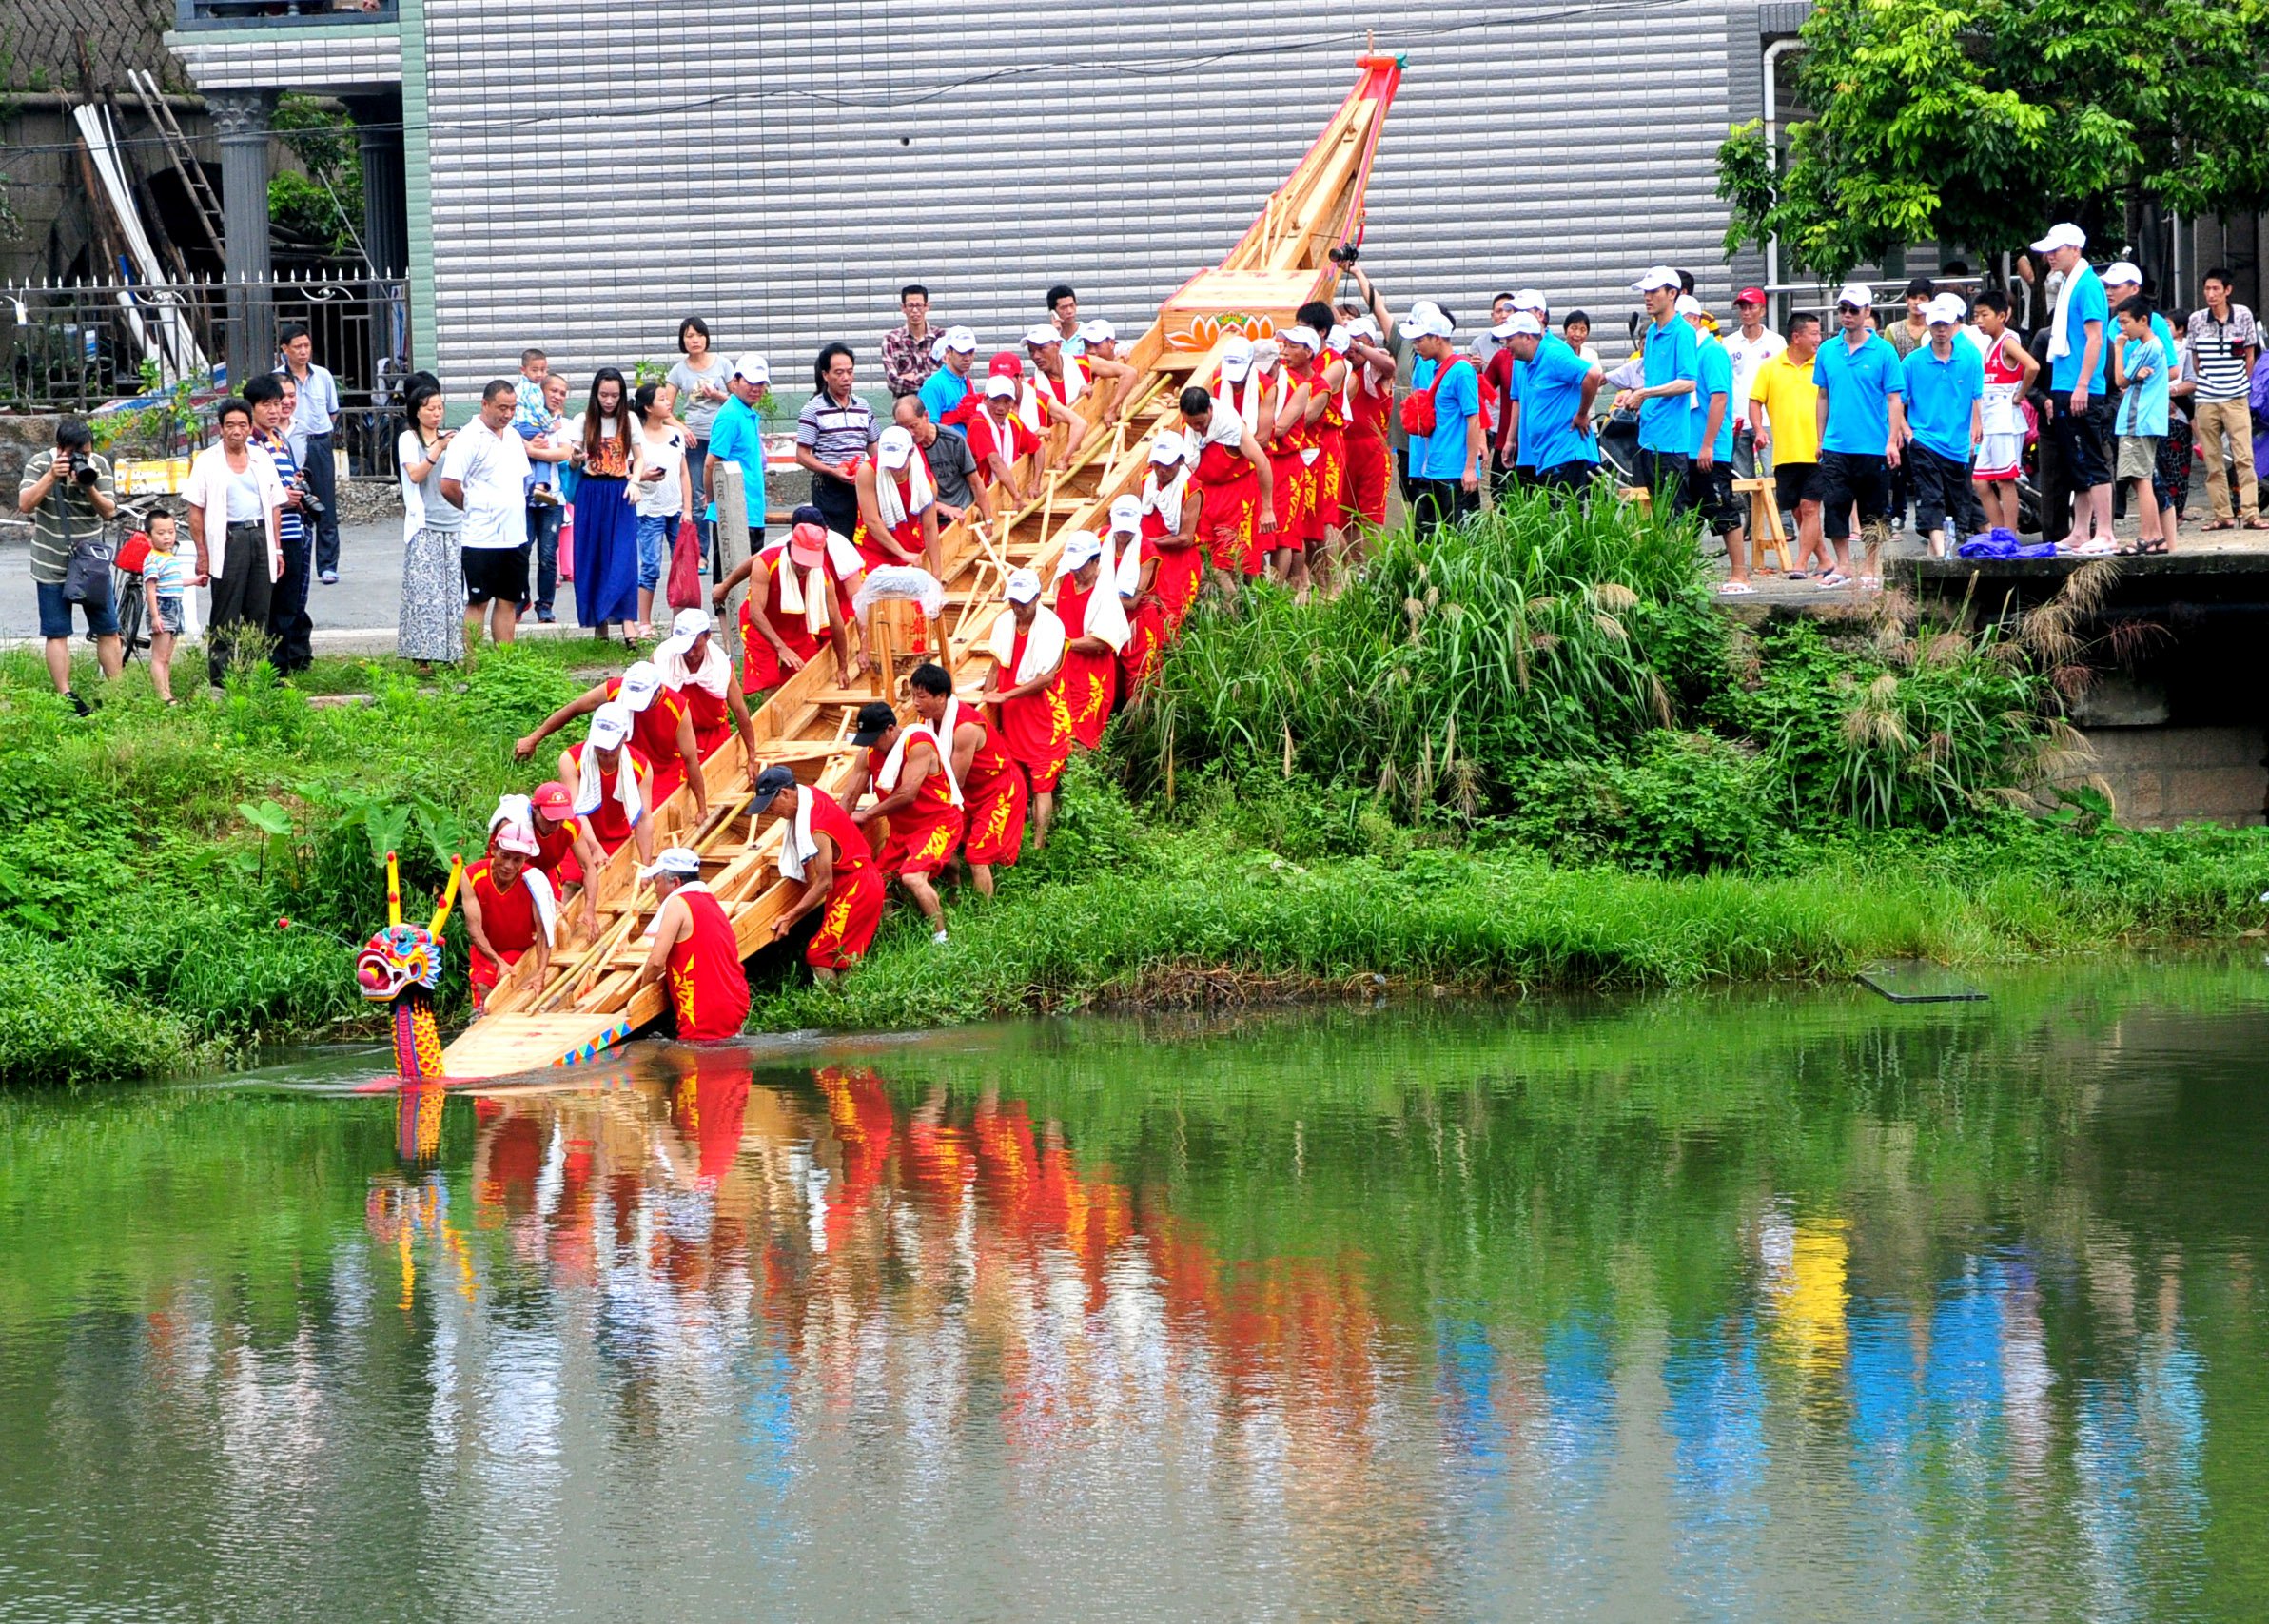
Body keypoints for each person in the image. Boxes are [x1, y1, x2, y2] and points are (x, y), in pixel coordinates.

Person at [17, 417, 123, 711]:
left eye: (85, 453)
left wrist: (87, 485)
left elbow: (108, 511)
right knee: (57, 630)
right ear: (59, 448)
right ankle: (66, 696)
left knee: (108, 628)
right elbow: (25, 504)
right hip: (51, 558)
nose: (81, 458)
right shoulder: (40, 464)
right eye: (75, 454)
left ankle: (117, 695)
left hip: (90, 561)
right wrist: (52, 476)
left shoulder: (98, 464)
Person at [180, 398, 285, 689]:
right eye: (230, 425)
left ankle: (255, 674)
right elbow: (196, 510)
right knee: (226, 609)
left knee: (259, 609)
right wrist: (202, 551)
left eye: (242, 424)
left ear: (251, 427)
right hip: (228, 539)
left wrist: (276, 547)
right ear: (221, 428)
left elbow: (275, 506)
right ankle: (222, 678)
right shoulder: (207, 461)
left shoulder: (261, 458)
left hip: (259, 536)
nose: (236, 431)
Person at [515, 657, 702, 813]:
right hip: (615, 760)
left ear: (658, 692)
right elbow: (575, 708)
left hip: (660, 773)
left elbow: (690, 759)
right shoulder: (616, 689)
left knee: (646, 813)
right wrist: (534, 738)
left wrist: (702, 807)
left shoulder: (677, 707)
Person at [1813, 281, 1907, 588]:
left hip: (1873, 444)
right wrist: (1820, 438)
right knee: (1836, 504)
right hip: (1837, 443)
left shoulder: (1884, 352)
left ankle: (1870, 564)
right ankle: (1842, 564)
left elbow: (1895, 399)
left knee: (1873, 508)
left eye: (1854, 310)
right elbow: (1822, 396)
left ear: (1867, 312)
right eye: (1843, 309)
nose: (1847, 315)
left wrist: (1892, 441)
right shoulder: (1828, 350)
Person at [843, 698, 962, 944]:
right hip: (902, 830)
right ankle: (897, 934)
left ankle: (942, 941)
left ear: (889, 729)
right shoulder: (868, 753)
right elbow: (849, 797)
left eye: (874, 738)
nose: (871, 746)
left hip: (937, 823)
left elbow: (908, 794)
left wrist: (868, 814)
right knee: (876, 884)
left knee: (912, 877)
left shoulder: (917, 744)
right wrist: (839, 829)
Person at [752, 765, 883, 982]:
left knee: (820, 954)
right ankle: (850, 1006)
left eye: (770, 805)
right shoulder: (809, 793)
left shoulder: (816, 826)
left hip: (857, 886)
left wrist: (790, 916)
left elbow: (824, 884)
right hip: (854, 879)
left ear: (785, 793)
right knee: (844, 956)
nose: (771, 813)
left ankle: (835, 1007)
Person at [2032, 223, 2116, 554]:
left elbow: (2096, 337)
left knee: (2092, 459)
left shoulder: (2087, 285)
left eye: (2057, 249)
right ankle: (2080, 530)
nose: (2050, 255)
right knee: (2075, 461)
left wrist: (2083, 383)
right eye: (2049, 250)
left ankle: (2105, 531)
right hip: (2064, 383)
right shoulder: (2069, 284)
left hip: (2082, 386)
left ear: (2076, 249)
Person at [718, 508, 864, 694]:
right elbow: (756, 612)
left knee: (803, 678)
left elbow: (836, 622)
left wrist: (842, 667)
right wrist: (781, 647)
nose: (804, 567)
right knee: (771, 684)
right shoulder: (766, 563)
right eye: (800, 560)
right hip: (762, 626)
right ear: (790, 548)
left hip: (797, 627)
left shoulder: (823, 578)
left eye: (809, 562)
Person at [909, 660, 1024, 895]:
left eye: (922, 697)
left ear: (941, 697)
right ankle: (956, 892)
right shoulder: (925, 721)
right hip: (969, 792)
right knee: (948, 838)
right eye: (913, 696)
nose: (915, 703)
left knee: (976, 855)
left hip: (997, 790)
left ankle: (985, 916)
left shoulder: (965, 728)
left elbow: (954, 782)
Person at [439, 380, 535, 647]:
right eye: (501, 408)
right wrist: (472, 507)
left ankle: (504, 663)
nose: (507, 414)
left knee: (508, 599)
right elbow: (448, 485)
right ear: (485, 404)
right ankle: (472, 665)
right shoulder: (468, 438)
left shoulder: (513, 436)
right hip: (480, 537)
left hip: (514, 535)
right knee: (478, 601)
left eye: (512, 408)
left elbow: (524, 479)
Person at [982, 567, 1071, 850]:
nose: (1017, 608)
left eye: (1023, 602)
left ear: (1036, 597)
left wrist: (1007, 696)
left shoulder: (1053, 626)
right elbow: (996, 664)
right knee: (1014, 777)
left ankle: (1039, 843)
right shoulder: (1005, 623)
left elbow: (1046, 679)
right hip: (1013, 714)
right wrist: (988, 693)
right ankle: (1015, 836)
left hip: (1041, 712)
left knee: (1042, 782)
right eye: (1013, 602)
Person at [1901, 293, 1985, 558]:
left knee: (1958, 502)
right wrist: (1907, 433)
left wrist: (1976, 429)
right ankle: (1942, 555)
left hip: (1957, 443)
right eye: (1935, 324)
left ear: (1953, 326)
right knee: (1930, 495)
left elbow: (1976, 397)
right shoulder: (1912, 362)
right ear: (1928, 324)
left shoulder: (1970, 357)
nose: (1940, 330)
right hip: (1924, 439)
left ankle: (1936, 553)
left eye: (1945, 325)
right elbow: (1896, 402)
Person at [634, 847, 750, 1042]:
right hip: (733, 999)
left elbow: (656, 962)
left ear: (675, 882)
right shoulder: (709, 901)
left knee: (697, 1067)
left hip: (705, 1007)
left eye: (657, 882)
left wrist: (640, 998)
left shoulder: (677, 904)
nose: (655, 889)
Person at [243, 375, 312, 675]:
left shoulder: (279, 439)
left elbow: (287, 479)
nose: (274, 410)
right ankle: (264, 668)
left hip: (292, 529)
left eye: (277, 403)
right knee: (265, 604)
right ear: (251, 408)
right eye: (266, 405)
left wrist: (297, 489)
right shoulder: (248, 442)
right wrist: (284, 497)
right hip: (269, 533)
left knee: (287, 602)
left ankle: (281, 669)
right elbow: (252, 490)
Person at [1751, 312, 1829, 577]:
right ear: (1796, 337)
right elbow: (1755, 400)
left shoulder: (1824, 365)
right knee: (1797, 510)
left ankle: (1801, 564)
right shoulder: (1770, 367)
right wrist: (1759, 429)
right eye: (1814, 333)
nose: (1819, 339)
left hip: (1817, 451)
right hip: (1784, 453)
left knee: (1810, 508)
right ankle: (1825, 560)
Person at [2186, 267, 2264, 530]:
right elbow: (2195, 360)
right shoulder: (2197, 320)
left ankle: (2252, 513)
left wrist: (2242, 383)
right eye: (2207, 289)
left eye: (2216, 289)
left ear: (2227, 291)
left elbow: (2250, 356)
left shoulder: (2242, 315)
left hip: (2236, 396)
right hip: (2206, 397)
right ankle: (2222, 514)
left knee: (2244, 456)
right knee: (2212, 458)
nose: (2211, 294)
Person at [566, 367, 640, 638]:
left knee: (623, 557)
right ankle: (600, 623)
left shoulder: (630, 420)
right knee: (592, 555)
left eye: (614, 396)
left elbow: (639, 457)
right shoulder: (583, 420)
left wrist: (636, 481)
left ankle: (629, 622)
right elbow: (573, 459)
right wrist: (576, 456)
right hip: (590, 492)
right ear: (595, 395)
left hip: (620, 491)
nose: (609, 401)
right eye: (603, 395)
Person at [1681, 297, 1750, 591]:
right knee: (1689, 514)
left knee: (1722, 509)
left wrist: (1708, 444)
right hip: (1685, 445)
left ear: (1695, 320)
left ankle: (1739, 574)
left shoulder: (1711, 352)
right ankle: (1685, 574)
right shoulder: (1686, 353)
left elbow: (1720, 399)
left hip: (1710, 447)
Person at [1177, 382, 1275, 586]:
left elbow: (1262, 463)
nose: (1198, 429)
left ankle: (1243, 609)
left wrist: (1267, 508)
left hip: (1237, 495)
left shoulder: (1231, 425)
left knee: (1231, 561)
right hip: (1206, 496)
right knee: (1206, 559)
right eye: (1192, 424)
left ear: (1210, 410)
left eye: (1201, 423)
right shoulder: (1189, 429)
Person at [395, 381, 464, 669]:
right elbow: (415, 475)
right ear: (417, 412)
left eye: (439, 408)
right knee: (424, 594)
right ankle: (421, 656)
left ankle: (451, 654)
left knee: (453, 594)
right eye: (429, 408)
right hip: (424, 525)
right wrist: (437, 449)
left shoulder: (452, 439)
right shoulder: (409, 439)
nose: (436, 413)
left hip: (454, 522)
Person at [1496, 312, 1604, 497]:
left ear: (1527, 337)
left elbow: (1592, 375)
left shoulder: (1553, 354)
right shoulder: (1529, 363)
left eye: (1510, 339)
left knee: (1563, 518)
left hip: (1564, 454)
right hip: (1548, 456)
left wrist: (1582, 413)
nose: (1506, 345)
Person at [1620, 266, 1698, 502]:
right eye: (1646, 291)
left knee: (1674, 513)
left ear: (1672, 293)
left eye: (1654, 291)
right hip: (1648, 434)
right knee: (1657, 510)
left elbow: (1688, 383)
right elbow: (1652, 377)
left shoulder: (1683, 332)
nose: (1647, 297)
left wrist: (1644, 394)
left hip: (1671, 440)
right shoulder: (1652, 331)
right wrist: (1634, 394)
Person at [1404, 310, 1482, 538]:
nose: (1416, 345)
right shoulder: (1437, 369)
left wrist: (1469, 468)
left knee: (1461, 538)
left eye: (1420, 340)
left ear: (1437, 338)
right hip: (1434, 469)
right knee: (1434, 538)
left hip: (1456, 472)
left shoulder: (1461, 371)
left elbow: (1474, 419)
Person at [462, 823, 554, 1014]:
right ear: (493, 850)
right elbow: (474, 928)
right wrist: (497, 961)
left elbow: (543, 930)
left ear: (526, 859)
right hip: (486, 950)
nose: (508, 866)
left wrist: (540, 974)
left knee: (494, 991)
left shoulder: (533, 880)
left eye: (517, 860)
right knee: (482, 992)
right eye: (504, 856)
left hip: (519, 949)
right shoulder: (471, 875)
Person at [656, 606, 760, 773]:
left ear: (707, 636)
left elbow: (740, 711)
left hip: (713, 737)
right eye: (685, 648)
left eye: (695, 647)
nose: (690, 654)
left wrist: (751, 756)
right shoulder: (662, 658)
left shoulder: (720, 666)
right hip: (674, 738)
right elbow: (652, 710)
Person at [274, 324, 341, 583]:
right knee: (291, 500)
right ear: (284, 349)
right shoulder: (276, 378)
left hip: (319, 442)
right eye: (297, 347)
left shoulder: (322, 376)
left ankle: (327, 565)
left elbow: (332, 411)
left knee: (324, 504)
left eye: (307, 346)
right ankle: (292, 556)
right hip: (288, 441)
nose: (303, 352)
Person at [1049, 530, 1127, 749]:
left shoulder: (1105, 593)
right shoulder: (1065, 581)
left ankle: (1086, 778)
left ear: (1095, 562)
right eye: (1073, 566)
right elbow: (1057, 614)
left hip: (1092, 673)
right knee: (1060, 730)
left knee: (1083, 736)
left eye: (1081, 566)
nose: (1076, 571)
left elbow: (1102, 642)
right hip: (1064, 669)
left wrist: (1066, 643)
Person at [1969, 290, 2039, 536]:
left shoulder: (2008, 340)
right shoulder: (1989, 345)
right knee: (1980, 480)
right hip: (1991, 421)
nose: (1978, 320)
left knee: (2005, 479)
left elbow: (2032, 365)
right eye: (1975, 315)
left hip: (2005, 420)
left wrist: (2020, 394)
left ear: (2001, 316)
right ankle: (1999, 531)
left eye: (1984, 315)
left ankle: (2010, 533)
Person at [628, 382, 694, 636]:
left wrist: (687, 508)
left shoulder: (675, 435)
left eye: (668, 398)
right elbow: (627, 474)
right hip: (648, 510)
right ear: (647, 407)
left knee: (682, 565)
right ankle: (644, 622)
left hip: (676, 510)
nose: (668, 403)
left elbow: (684, 473)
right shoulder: (637, 437)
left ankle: (679, 622)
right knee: (651, 566)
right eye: (662, 399)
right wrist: (643, 476)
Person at [796, 342, 879, 539]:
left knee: (864, 539)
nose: (846, 378)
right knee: (836, 542)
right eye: (839, 372)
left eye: (850, 372)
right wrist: (833, 471)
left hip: (861, 484)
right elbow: (801, 456)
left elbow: (873, 445)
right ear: (825, 375)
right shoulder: (813, 409)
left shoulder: (863, 406)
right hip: (829, 487)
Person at [2112, 296, 2173, 554]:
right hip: (2148, 420)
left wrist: (2118, 348)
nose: (2123, 329)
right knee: (2142, 478)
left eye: (2125, 323)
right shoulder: (2156, 346)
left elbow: (2119, 380)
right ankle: (2156, 536)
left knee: (2141, 479)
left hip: (2137, 421)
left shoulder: (2146, 348)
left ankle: (2147, 536)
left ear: (2143, 320)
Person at [559, 701, 655, 864]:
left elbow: (644, 818)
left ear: (625, 736)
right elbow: (575, 811)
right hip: (579, 837)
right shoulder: (571, 760)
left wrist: (645, 866)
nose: (607, 752)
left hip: (619, 838)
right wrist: (594, 847)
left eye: (613, 746)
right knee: (570, 884)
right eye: (601, 745)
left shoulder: (641, 766)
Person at [668, 316, 731, 558]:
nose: (695, 340)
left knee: (726, 491)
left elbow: (739, 400)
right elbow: (665, 410)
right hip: (694, 441)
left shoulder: (723, 364)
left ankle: (727, 553)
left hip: (722, 439)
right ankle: (701, 554)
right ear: (683, 340)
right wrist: (682, 428)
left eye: (699, 334)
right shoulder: (678, 371)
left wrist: (716, 394)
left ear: (706, 337)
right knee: (698, 498)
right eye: (689, 336)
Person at [703, 355, 772, 561]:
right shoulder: (731, 416)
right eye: (750, 382)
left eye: (761, 383)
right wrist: (713, 498)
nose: (756, 388)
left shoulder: (746, 413)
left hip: (752, 511)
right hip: (735, 513)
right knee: (730, 582)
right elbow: (710, 463)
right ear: (735, 382)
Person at [896, 395, 992, 533]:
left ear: (926, 416)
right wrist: (941, 507)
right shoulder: (903, 450)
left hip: (961, 517)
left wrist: (988, 520)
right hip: (928, 520)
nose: (910, 433)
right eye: (904, 429)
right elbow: (906, 496)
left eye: (914, 426)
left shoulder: (953, 440)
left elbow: (975, 482)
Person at [852, 423, 941, 574]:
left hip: (910, 547)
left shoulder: (927, 482)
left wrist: (937, 572)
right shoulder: (868, 472)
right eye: (891, 465)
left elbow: (930, 527)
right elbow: (871, 520)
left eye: (900, 464)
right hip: (874, 549)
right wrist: (902, 553)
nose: (895, 470)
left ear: (911, 452)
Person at [520, 780, 606, 935]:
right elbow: (508, 870)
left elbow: (588, 867)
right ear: (535, 809)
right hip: (518, 874)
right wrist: (541, 898)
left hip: (547, 870)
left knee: (555, 916)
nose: (555, 826)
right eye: (550, 820)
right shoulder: (520, 827)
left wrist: (589, 910)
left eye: (560, 819)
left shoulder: (570, 826)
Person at [523, 371, 574, 622]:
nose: (558, 396)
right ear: (540, 392)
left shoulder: (564, 425)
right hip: (523, 497)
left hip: (552, 499)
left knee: (547, 553)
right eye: (553, 390)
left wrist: (531, 449)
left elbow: (563, 453)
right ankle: (520, 599)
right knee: (521, 549)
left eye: (563, 393)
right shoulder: (522, 419)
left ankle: (545, 605)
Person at [1339, 312, 1395, 536]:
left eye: (1359, 343)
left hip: (1373, 450)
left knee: (1371, 517)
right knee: (1344, 517)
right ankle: (1353, 569)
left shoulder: (1376, 370)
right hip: (1344, 448)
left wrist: (1359, 347)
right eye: (1350, 344)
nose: (1352, 350)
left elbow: (1390, 366)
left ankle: (1373, 569)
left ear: (1370, 343)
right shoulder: (1341, 369)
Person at [1141, 431, 1203, 630]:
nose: (1161, 470)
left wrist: (1148, 542)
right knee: (1146, 616)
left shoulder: (1190, 488)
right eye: (1157, 464)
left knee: (1170, 621)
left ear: (1180, 461)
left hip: (1178, 561)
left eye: (1167, 464)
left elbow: (1185, 538)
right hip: (1149, 559)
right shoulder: (1146, 480)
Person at [1722, 288, 1785, 479]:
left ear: (1763, 311)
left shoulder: (1776, 342)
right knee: (1741, 477)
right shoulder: (1728, 343)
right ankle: (1747, 510)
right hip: (1737, 418)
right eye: (1742, 307)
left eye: (1751, 307)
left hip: (1767, 418)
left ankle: (1776, 509)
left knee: (1771, 473)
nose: (1746, 312)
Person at [1107, 493, 1165, 692]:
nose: (1123, 534)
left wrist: (1098, 599)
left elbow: (1132, 601)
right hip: (1110, 614)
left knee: (1140, 674)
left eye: (1127, 530)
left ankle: (1140, 717)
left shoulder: (1146, 550)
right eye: (1119, 529)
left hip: (1137, 618)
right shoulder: (1101, 540)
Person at [967, 373, 1043, 506]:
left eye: (1006, 402)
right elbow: (995, 461)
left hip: (1007, 494)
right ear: (985, 400)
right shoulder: (978, 422)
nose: (1001, 408)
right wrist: (1017, 497)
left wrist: (1035, 483)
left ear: (1012, 403)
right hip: (982, 497)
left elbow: (1039, 448)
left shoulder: (1013, 421)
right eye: (995, 401)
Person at [138, 509, 187, 705]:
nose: (167, 537)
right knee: (159, 656)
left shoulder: (169, 556)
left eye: (171, 531)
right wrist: (155, 616)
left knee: (167, 656)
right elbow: (151, 589)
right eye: (161, 533)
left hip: (176, 606)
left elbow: (174, 582)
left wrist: (194, 581)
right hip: (163, 606)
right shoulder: (152, 560)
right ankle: (162, 695)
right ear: (148, 537)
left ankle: (167, 691)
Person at [883, 284, 939, 399]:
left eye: (919, 306)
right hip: (904, 408)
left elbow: (945, 378)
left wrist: (912, 377)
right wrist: (930, 380)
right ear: (903, 308)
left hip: (935, 404)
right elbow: (892, 382)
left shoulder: (940, 337)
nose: (915, 311)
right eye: (910, 306)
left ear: (927, 307)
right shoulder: (891, 339)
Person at [918, 326, 980, 427]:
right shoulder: (933, 386)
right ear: (948, 353)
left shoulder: (967, 383)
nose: (967, 358)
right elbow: (928, 431)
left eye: (971, 352)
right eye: (962, 353)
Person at [1046, 284, 1084, 354]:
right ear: (1053, 312)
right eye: (1063, 308)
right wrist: (1053, 333)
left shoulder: (1087, 332)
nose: (1069, 311)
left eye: (1072, 305)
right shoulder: (1049, 338)